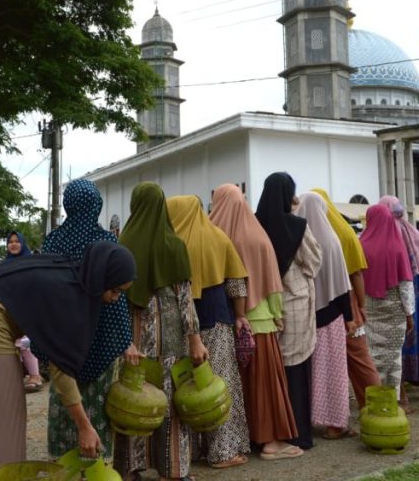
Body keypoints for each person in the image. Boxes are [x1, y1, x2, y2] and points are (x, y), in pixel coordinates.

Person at [0, 241, 135, 481]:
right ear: (102, 278)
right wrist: (84, 426)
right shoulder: (70, 296)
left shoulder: (72, 274)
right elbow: (61, 369)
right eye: (115, 290)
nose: (115, 299)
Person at [114, 182, 209, 481]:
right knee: (170, 406)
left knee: (134, 401)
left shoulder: (123, 245)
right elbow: (185, 298)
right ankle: (174, 471)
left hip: (134, 342)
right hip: (171, 342)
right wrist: (195, 339)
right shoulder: (174, 245)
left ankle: (130, 469)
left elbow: (117, 301)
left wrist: (122, 339)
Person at [41, 179, 135, 457]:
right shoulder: (106, 240)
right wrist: (124, 340)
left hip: (62, 337)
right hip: (101, 337)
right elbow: (117, 301)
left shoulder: (52, 241)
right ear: (97, 205)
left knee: (63, 397)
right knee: (97, 403)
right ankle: (96, 458)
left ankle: (63, 460)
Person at [209, 184, 301, 461]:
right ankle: (271, 441)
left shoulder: (214, 233)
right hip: (258, 323)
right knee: (265, 384)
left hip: (224, 323)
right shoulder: (256, 236)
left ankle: (245, 437)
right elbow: (271, 281)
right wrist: (276, 313)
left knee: (239, 386)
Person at [166, 195, 251, 469]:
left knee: (186, 387)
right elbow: (236, 283)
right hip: (216, 319)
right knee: (218, 385)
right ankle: (223, 452)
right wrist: (240, 315)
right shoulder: (218, 237)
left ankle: (189, 452)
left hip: (180, 327)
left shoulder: (169, 244)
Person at [256, 172, 321, 451]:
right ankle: (298, 434)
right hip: (295, 303)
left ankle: (275, 431)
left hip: (267, 306)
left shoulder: (256, 225)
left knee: (276, 373)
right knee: (297, 373)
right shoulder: (297, 227)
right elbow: (314, 262)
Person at [311, 188, 380, 409]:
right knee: (358, 358)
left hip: (334, 304)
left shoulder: (315, 233)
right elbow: (357, 273)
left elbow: (356, 273)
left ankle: (374, 406)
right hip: (348, 300)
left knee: (347, 359)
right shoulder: (345, 232)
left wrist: (359, 307)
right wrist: (362, 305)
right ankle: (373, 405)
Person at [295, 192, 355, 439]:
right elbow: (341, 285)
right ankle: (335, 424)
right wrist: (350, 317)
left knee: (314, 371)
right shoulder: (330, 240)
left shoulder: (300, 239)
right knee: (334, 372)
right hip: (332, 315)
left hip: (307, 314)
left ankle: (316, 418)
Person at [378, 196, 419, 410]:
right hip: (415, 301)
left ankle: (400, 394)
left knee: (394, 346)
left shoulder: (385, 235)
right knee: (410, 341)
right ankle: (417, 384)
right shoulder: (415, 235)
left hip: (390, 300)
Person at [359, 205, 414, 400]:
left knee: (373, 354)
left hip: (369, 307)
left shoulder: (361, 244)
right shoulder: (397, 245)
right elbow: (406, 285)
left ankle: (374, 396)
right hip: (394, 309)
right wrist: (410, 315)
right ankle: (393, 399)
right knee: (394, 356)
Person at [4, 231, 44, 392]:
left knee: (25, 342)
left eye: (16, 241)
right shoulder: (5, 264)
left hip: (27, 306)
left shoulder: (29, 262)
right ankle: (16, 376)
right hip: (9, 307)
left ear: (22, 243)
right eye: (10, 241)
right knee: (11, 343)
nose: (13, 244)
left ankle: (35, 375)